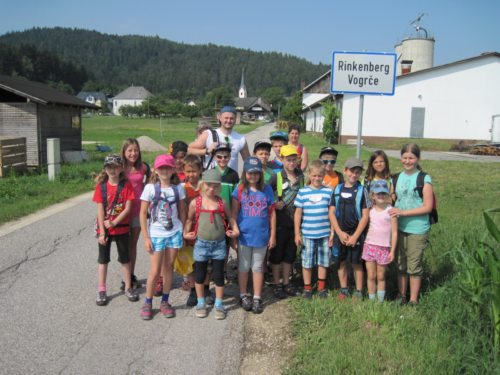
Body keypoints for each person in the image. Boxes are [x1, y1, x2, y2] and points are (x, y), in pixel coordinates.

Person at [184, 169, 239, 319]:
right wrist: (185, 232)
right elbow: (189, 220)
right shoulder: (196, 202)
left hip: (219, 244)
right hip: (201, 244)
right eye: (208, 185)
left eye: (215, 186)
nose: (211, 189)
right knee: (200, 275)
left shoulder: (222, 202)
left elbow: (231, 218)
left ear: (219, 187)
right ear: (202, 184)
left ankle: (219, 304)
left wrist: (235, 230)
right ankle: (201, 302)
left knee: (219, 276)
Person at [139, 154, 187, 320]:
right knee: (154, 271)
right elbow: (143, 213)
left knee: (169, 268)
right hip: (157, 234)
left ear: (173, 169)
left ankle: (165, 301)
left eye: (168, 167)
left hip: (174, 232)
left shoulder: (178, 188)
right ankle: (148, 302)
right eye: (161, 168)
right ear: (156, 170)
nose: (165, 170)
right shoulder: (150, 188)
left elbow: (182, 210)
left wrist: (182, 229)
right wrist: (146, 237)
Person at [389, 143, 434, 305]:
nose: (408, 161)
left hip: (417, 228)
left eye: (411, 158)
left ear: (418, 158)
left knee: (414, 266)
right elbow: (392, 200)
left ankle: (413, 300)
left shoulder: (424, 178)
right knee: (401, 264)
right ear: (401, 158)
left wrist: (402, 212)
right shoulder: (395, 178)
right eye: (405, 157)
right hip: (399, 228)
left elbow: (427, 207)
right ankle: (401, 295)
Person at [93, 154, 139, 306]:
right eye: (109, 167)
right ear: (105, 169)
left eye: (115, 167)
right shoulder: (101, 187)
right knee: (103, 260)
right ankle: (101, 289)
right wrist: (101, 231)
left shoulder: (126, 186)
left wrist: (114, 222)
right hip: (105, 230)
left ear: (121, 168)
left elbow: (128, 208)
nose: (112, 170)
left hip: (122, 229)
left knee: (125, 259)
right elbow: (99, 210)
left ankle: (128, 287)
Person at [232, 157, 276, 314]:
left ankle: (257, 297)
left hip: (261, 236)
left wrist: (273, 235)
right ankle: (243, 294)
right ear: (245, 173)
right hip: (244, 236)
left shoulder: (267, 190)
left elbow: (272, 214)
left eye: (256, 173)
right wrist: (234, 235)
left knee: (257, 267)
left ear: (260, 174)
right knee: (244, 267)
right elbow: (234, 213)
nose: (253, 176)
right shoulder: (239, 189)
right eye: (250, 173)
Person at [328, 157, 370, 300]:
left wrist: (356, 236)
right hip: (341, 233)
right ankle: (344, 289)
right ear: (345, 171)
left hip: (356, 233)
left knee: (357, 263)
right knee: (341, 263)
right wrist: (339, 233)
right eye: (351, 171)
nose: (354, 174)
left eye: (357, 172)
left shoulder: (362, 190)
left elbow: (365, 216)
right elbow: (331, 213)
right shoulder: (337, 189)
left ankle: (358, 291)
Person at [294, 160, 334, 299]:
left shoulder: (328, 192)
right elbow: (298, 214)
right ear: (309, 174)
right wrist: (296, 234)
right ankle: (307, 288)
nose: (317, 178)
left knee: (323, 261)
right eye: (314, 175)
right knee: (307, 262)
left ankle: (322, 288)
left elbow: (332, 214)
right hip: (308, 234)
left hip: (324, 234)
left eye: (320, 176)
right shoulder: (303, 192)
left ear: (324, 175)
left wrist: (332, 233)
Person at [268, 144, 304, 299]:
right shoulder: (276, 177)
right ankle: (276, 283)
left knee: (290, 255)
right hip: (280, 222)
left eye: (293, 159)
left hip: (295, 223)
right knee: (277, 255)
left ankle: (286, 283)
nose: (291, 163)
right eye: (288, 160)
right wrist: (274, 203)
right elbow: (267, 195)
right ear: (281, 159)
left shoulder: (301, 176)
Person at [179, 155, 214, 307]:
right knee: (191, 263)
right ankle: (193, 290)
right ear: (183, 171)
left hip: (204, 230)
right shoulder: (181, 189)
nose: (191, 174)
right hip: (189, 231)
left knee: (205, 262)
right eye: (188, 171)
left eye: (194, 171)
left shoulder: (205, 187)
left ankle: (206, 289)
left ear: (200, 170)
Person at [121, 138, 150, 291]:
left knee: (133, 245)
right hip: (122, 212)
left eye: (136, 150)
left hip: (138, 211)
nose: (133, 153)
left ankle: (130, 275)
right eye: (130, 150)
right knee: (124, 245)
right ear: (124, 152)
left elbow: (149, 185)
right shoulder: (119, 168)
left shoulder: (143, 167)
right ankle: (125, 276)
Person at [362, 180, 397, 302]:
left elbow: (394, 232)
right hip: (369, 246)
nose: (381, 196)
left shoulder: (391, 211)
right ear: (373, 196)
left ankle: (380, 302)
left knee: (381, 276)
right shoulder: (370, 210)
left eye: (383, 193)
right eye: (378, 193)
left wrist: (392, 251)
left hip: (384, 248)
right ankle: (371, 300)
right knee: (371, 275)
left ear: (387, 194)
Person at [188, 106, 250, 171]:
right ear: (220, 118)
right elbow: (189, 149)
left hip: (231, 179)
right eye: (226, 118)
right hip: (211, 178)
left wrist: (243, 177)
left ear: (235, 119)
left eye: (231, 118)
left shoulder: (241, 139)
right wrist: (207, 151)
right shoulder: (208, 134)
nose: (228, 121)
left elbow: (248, 162)